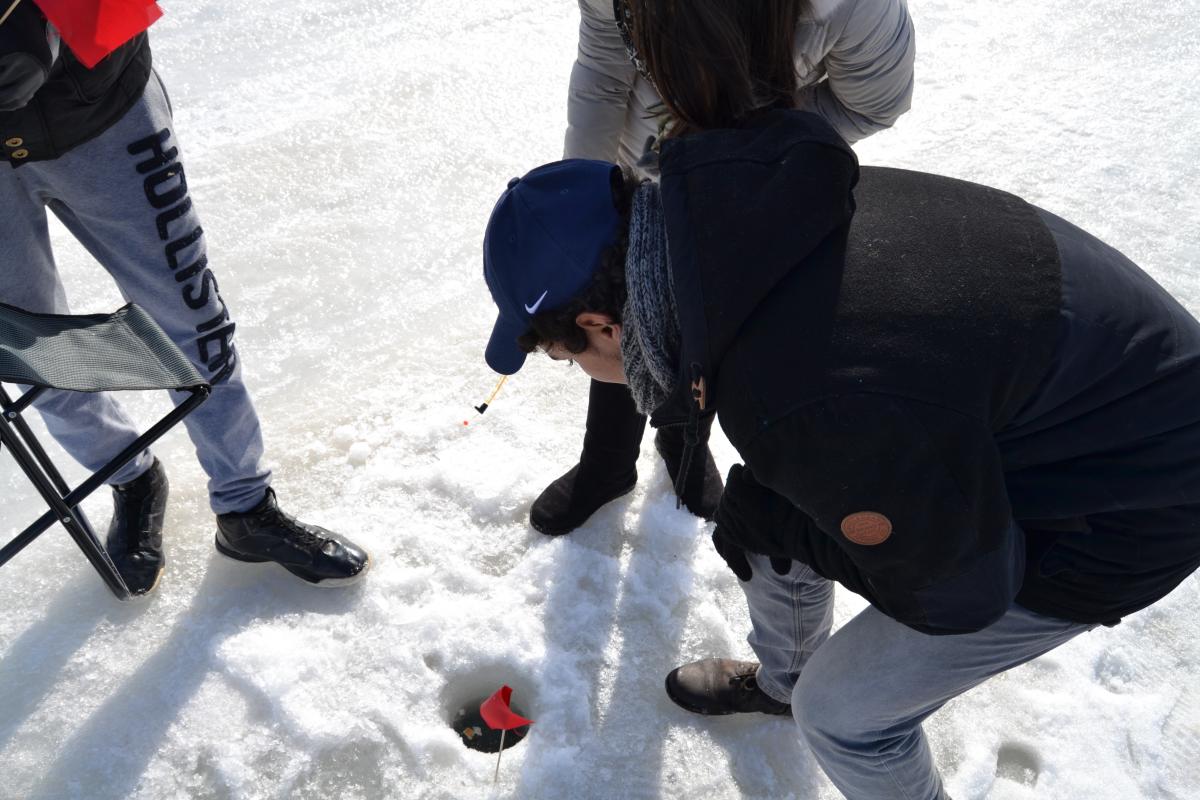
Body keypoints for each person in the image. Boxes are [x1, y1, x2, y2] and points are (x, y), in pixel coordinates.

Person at [479, 119, 1200, 796]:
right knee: (766, 512)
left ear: (600, 325)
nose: (579, 373)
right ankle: (784, 682)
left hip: (1133, 504)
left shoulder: (790, 399)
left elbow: (964, 593)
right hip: (1064, 402)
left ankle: (812, 701)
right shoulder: (750, 214)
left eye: (563, 359)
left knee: (846, 716)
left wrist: (799, 527)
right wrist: (789, 519)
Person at [0, 3, 369, 594]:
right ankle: (129, 475)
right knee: (28, 350)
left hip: (101, 107)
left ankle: (246, 507)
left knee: (190, 317)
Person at [540, 0, 916, 536]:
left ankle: (684, 440)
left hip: (751, 183)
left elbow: (871, 104)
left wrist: (741, 156)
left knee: (707, 319)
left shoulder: (855, 8)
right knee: (623, 311)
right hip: (637, 168)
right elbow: (602, 67)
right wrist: (588, 193)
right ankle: (608, 462)